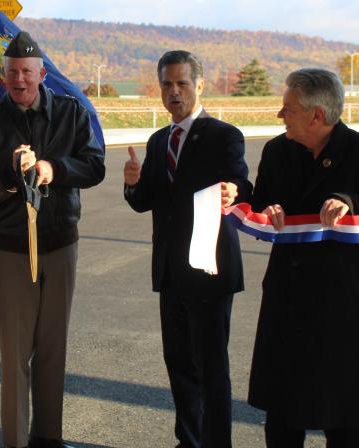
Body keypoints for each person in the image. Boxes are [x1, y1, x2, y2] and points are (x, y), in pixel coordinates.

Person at [0, 31, 105, 448]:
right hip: (10, 250)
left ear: (42, 74)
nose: (19, 80)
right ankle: (16, 442)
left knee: (52, 351)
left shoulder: (70, 113)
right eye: (12, 73)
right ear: (2, 76)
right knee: (14, 356)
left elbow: (94, 167)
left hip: (60, 246)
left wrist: (52, 169)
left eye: (27, 72)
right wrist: (9, 176)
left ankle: (48, 438)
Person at [247, 68, 359, 448]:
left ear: (317, 115)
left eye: (289, 109)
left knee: (341, 407)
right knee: (282, 405)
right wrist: (267, 209)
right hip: (287, 293)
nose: (280, 116)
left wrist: (351, 204)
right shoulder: (277, 150)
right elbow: (261, 199)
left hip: (338, 300)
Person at [123, 50, 249, 448]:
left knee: (211, 369)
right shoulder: (159, 141)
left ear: (200, 85)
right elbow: (145, 200)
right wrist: (132, 182)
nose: (174, 92)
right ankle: (188, 441)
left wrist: (233, 191)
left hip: (210, 272)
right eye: (166, 84)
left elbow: (240, 183)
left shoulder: (223, 135)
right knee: (178, 365)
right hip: (171, 272)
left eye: (181, 83)